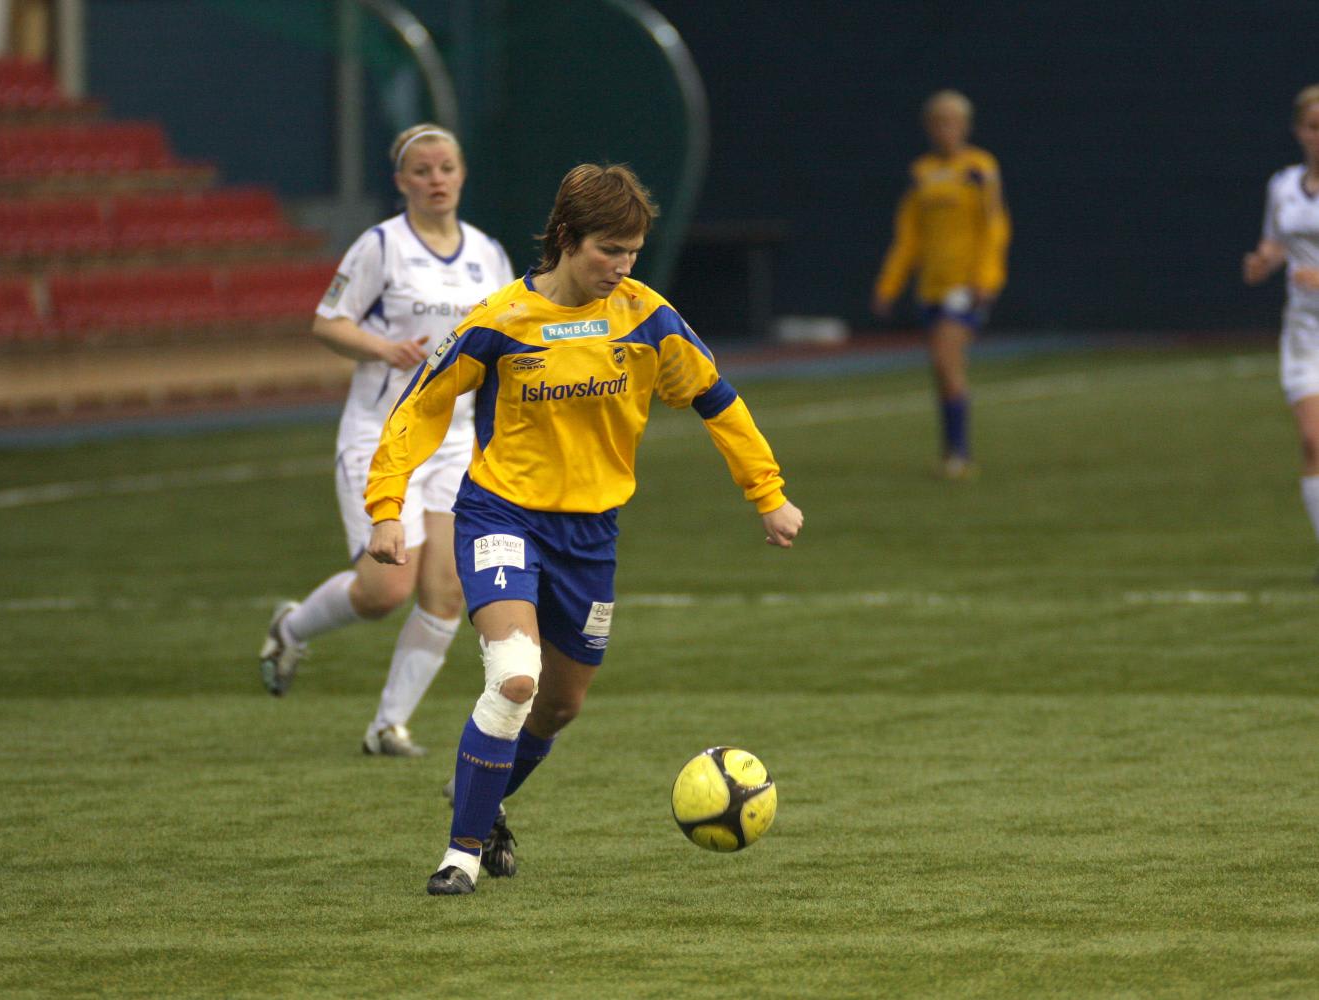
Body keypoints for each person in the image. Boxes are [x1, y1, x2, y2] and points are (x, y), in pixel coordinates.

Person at [363, 163, 805, 895]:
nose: (623, 266)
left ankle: (483, 795)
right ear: (566, 238)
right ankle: (461, 855)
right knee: (515, 678)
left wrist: (768, 492)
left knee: (559, 705)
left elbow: (715, 398)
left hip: (591, 536)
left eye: (632, 252)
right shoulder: (500, 320)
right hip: (502, 515)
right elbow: (419, 408)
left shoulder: (646, 318)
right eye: (609, 250)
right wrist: (388, 508)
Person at [258, 123, 514, 757]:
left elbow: (508, 335)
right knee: (384, 593)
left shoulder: (488, 254)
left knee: (448, 589)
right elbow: (327, 322)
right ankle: (292, 628)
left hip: (454, 441)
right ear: (401, 181)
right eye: (422, 171)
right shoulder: (381, 246)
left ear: (462, 174)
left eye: (446, 168)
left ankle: (387, 726)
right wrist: (383, 348)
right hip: (382, 436)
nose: (436, 180)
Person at [872, 90, 1012, 479]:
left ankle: (959, 456)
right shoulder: (922, 173)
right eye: (938, 122)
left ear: (965, 126)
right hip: (930, 288)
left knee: (946, 359)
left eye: (952, 122)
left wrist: (986, 278)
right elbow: (908, 237)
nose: (945, 129)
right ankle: (953, 451)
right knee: (942, 370)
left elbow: (995, 226)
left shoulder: (980, 168)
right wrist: (889, 285)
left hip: (964, 285)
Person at [1244, 84, 1319, 579]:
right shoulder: (1284, 185)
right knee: (1314, 442)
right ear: (1298, 132)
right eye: (1313, 127)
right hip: (1305, 333)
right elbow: (1274, 242)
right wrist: (1263, 261)